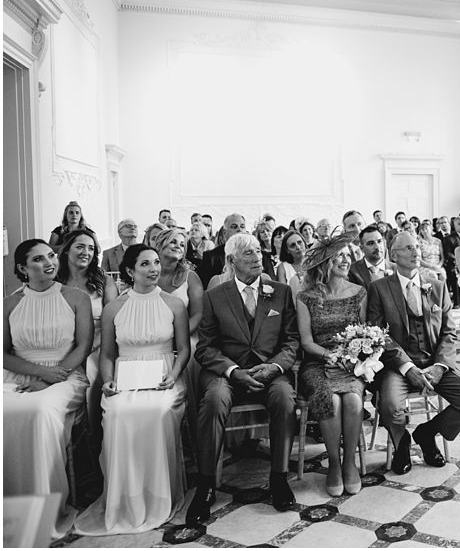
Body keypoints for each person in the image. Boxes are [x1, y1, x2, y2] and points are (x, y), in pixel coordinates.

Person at [73, 244, 190, 535]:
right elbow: (107, 354)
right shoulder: (115, 307)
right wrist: (109, 380)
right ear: (130, 271)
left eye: (155, 263)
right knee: (117, 414)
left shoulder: (173, 304)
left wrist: (173, 375)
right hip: (126, 375)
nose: (153, 269)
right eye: (145, 264)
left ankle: (161, 494)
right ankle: (125, 498)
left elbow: (184, 349)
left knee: (158, 410)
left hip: (164, 373)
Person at [186, 233, 300, 524]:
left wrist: (274, 367)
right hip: (228, 374)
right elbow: (205, 347)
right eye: (248, 254)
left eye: (259, 252)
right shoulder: (214, 297)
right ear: (230, 260)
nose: (256, 258)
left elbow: (291, 342)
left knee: (285, 398)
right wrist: (233, 371)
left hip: (269, 372)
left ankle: (279, 478)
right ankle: (206, 486)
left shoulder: (281, 292)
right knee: (213, 400)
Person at [368, 232, 460, 475]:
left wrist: (440, 366)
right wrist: (407, 367)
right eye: (408, 248)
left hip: (434, 363)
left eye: (417, 247)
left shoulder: (438, 288)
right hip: (398, 367)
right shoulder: (379, 289)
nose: (416, 252)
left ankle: (427, 432)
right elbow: (380, 335)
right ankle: (401, 444)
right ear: (394, 255)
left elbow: (449, 333)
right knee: (389, 405)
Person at [4, 240, 92, 537]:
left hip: (66, 375)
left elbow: (84, 345)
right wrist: (37, 374)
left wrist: (53, 376)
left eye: (51, 255)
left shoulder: (76, 297)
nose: (50, 262)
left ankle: (45, 509)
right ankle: (10, 507)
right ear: (22, 268)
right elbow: (3, 354)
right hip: (20, 375)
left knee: (39, 411)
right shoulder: (9, 302)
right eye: (39, 259)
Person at [296, 232, 367, 496]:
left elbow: (364, 334)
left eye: (348, 255)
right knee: (331, 400)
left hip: (350, 364)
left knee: (351, 400)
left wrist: (349, 360)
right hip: (317, 363)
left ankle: (350, 462)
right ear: (324, 262)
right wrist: (330, 357)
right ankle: (334, 464)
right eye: (339, 256)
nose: (346, 260)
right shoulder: (306, 297)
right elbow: (306, 341)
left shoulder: (359, 293)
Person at [56, 230, 118, 443]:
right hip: (62, 344)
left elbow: (113, 322)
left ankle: (97, 439)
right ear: (66, 251)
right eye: (80, 246)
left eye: (91, 248)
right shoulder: (55, 279)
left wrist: (89, 347)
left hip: (99, 342)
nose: (86, 252)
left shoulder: (103, 280)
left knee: (93, 376)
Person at [153, 227, 205, 444]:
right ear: (160, 244)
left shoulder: (190, 277)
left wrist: (178, 337)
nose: (178, 246)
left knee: (191, 354)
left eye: (182, 244)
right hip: (153, 338)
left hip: (186, 336)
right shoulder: (148, 273)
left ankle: (193, 433)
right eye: (173, 241)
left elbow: (198, 314)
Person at [197, 214, 247, 288]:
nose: (239, 229)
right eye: (234, 227)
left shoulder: (258, 255)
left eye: (242, 226)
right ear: (224, 233)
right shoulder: (211, 257)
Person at [441, 217, 460, 308]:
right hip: (454, 263)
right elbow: (448, 254)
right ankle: (457, 302)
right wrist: (459, 259)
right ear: (454, 225)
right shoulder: (449, 238)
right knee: (454, 274)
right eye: (459, 224)